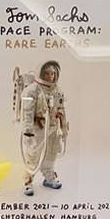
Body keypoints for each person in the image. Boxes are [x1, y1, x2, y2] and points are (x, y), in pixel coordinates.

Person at [21, 60, 68, 196]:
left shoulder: (57, 90)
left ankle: (49, 176)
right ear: (41, 74)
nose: (50, 77)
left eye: (53, 74)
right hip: (38, 128)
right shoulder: (32, 91)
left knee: (51, 152)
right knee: (33, 154)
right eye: (47, 74)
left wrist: (64, 127)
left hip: (53, 127)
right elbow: (27, 112)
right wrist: (28, 129)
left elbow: (61, 109)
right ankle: (28, 181)